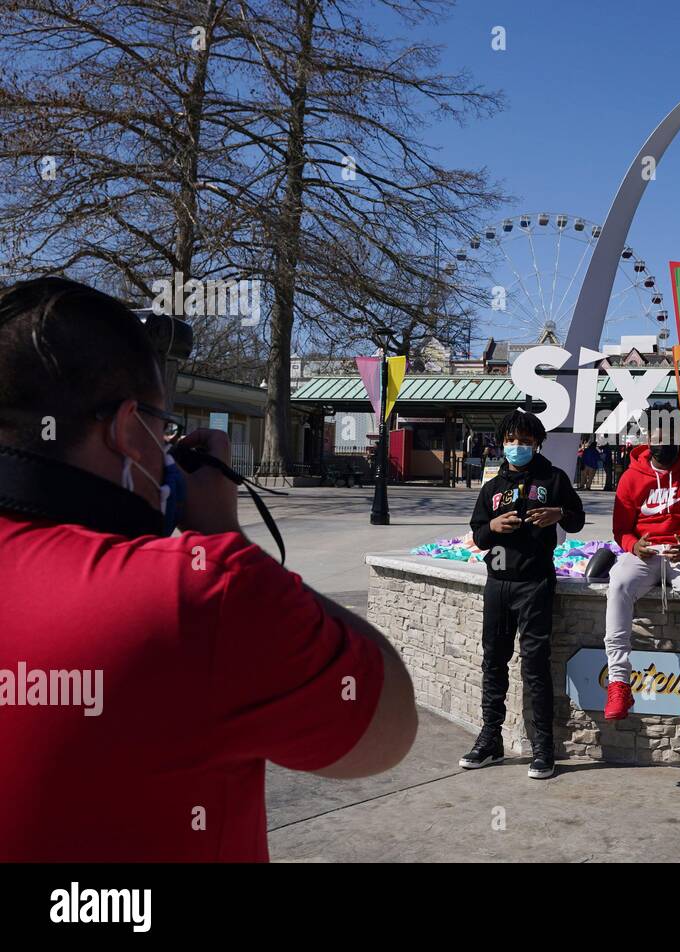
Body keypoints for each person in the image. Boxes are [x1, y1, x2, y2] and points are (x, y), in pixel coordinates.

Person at [0, 277, 417, 861]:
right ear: (127, 430)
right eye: (159, 425)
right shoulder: (198, 595)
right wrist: (221, 539)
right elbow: (387, 726)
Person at [464, 410, 584, 779]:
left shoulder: (554, 477)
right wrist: (493, 526)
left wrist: (558, 513)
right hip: (498, 585)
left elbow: (577, 520)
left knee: (535, 666)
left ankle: (543, 747)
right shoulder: (491, 487)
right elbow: (478, 534)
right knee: (494, 662)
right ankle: (490, 739)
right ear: (501, 444)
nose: (517, 447)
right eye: (511, 441)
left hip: (535, 585)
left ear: (538, 443)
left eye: (525, 441)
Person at [603, 425, 680, 725]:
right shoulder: (632, 477)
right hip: (646, 553)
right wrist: (633, 545)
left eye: (667, 437)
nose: (661, 443)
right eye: (655, 437)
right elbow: (621, 529)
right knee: (618, 583)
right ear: (647, 440)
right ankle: (618, 682)